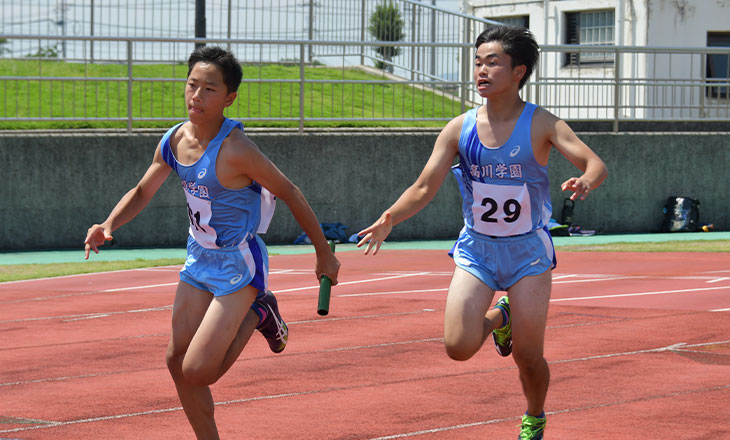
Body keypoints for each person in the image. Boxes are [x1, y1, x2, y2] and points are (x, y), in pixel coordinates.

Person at [357, 25, 607, 440]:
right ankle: (501, 316)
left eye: (493, 62)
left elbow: (593, 162)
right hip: (477, 249)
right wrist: (389, 218)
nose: (481, 70)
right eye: (477, 62)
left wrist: (586, 180)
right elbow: (423, 187)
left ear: (518, 72)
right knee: (457, 347)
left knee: (528, 356)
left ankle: (534, 414)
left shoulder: (542, 123)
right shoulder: (459, 129)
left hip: (528, 251)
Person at [83, 46, 340, 439]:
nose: (196, 96)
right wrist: (108, 222)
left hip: (239, 263)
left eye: (208, 89)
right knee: (175, 361)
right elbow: (142, 190)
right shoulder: (173, 140)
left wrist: (323, 253)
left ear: (229, 98)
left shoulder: (237, 149)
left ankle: (260, 313)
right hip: (198, 257)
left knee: (199, 370)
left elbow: (291, 191)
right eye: (192, 85)